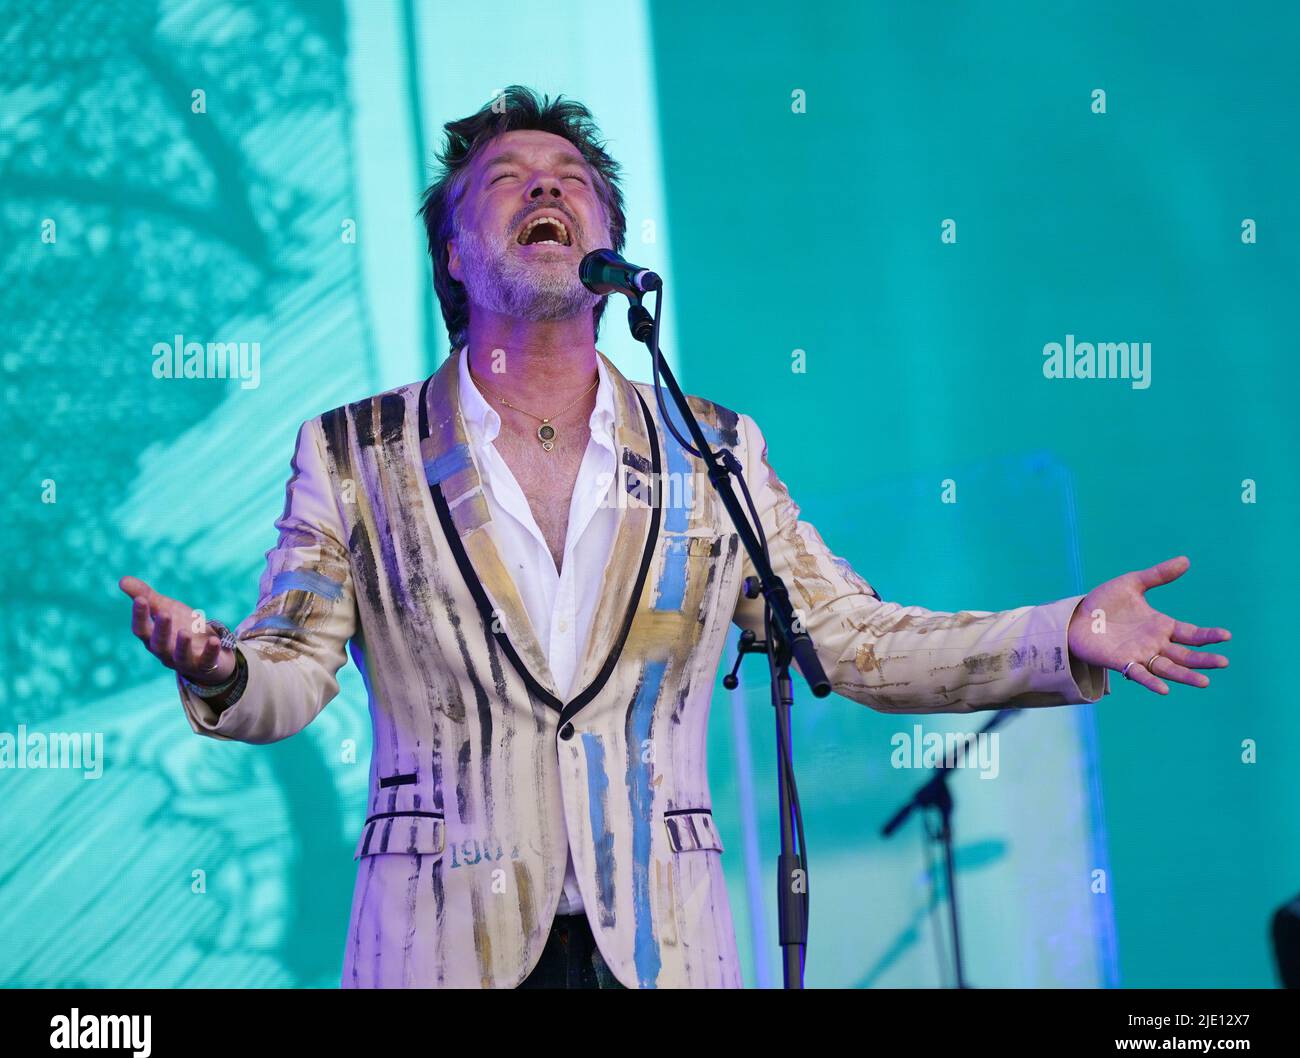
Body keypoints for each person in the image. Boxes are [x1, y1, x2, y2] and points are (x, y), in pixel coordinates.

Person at [119, 86, 1231, 989]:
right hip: (439, 943)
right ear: (453, 256)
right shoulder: (357, 454)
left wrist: (1066, 631)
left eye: (572, 183)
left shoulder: (713, 451)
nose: (544, 188)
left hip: (662, 948)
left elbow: (849, 636)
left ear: (609, 246)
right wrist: (220, 666)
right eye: (505, 181)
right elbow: (290, 676)